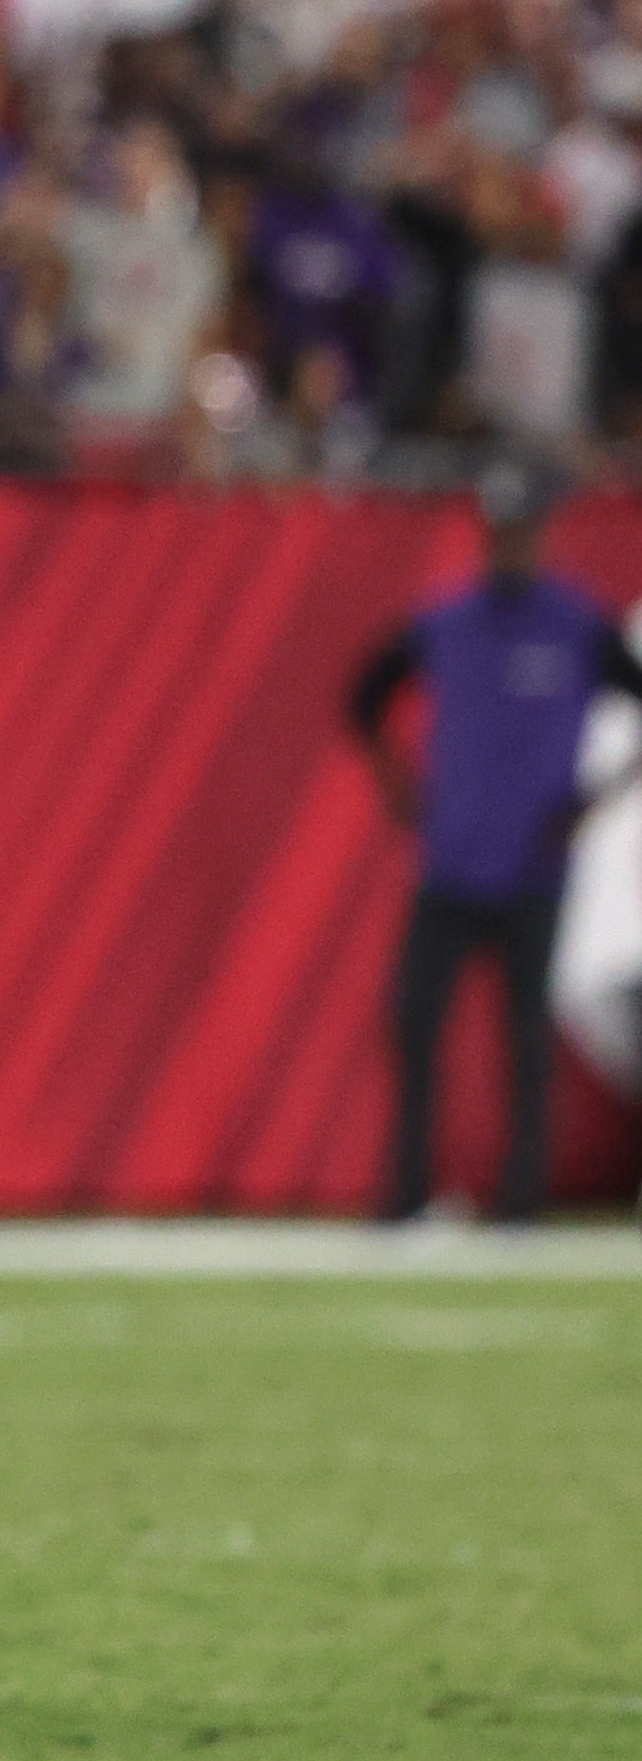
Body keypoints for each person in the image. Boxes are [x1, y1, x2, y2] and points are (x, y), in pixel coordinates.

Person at [342, 463, 642, 1224]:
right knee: (413, 1024)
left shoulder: (575, 625)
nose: (510, 545)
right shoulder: (446, 621)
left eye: (522, 530)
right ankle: (404, 1197)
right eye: (499, 530)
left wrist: (595, 801)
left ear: (541, 534)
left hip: (533, 867)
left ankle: (519, 1207)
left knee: (524, 1045)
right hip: (449, 864)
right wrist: (399, 788)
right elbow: (365, 695)